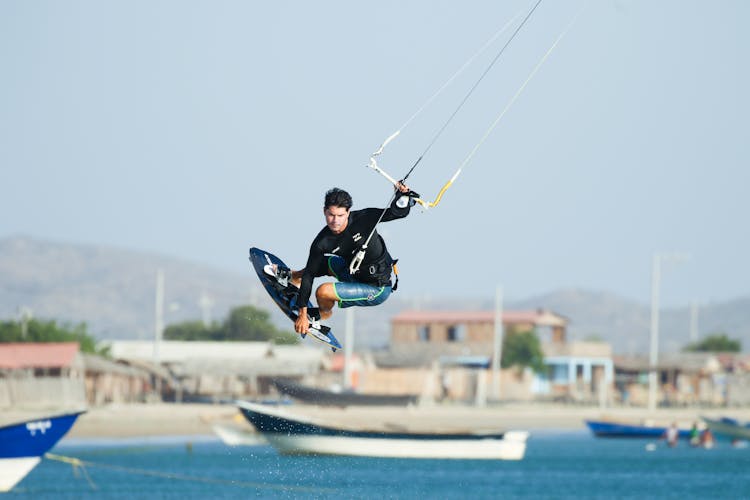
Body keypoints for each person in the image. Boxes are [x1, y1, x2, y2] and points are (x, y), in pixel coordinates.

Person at [268, 183, 416, 335]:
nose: (335, 221)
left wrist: (402, 196)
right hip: (351, 272)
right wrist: (302, 314)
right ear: (324, 212)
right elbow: (309, 275)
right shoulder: (322, 241)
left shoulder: (364, 218)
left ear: (348, 212)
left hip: (376, 287)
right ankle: (293, 277)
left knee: (323, 291)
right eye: (331, 215)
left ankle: (324, 313)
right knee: (320, 263)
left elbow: (397, 213)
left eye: (340, 215)